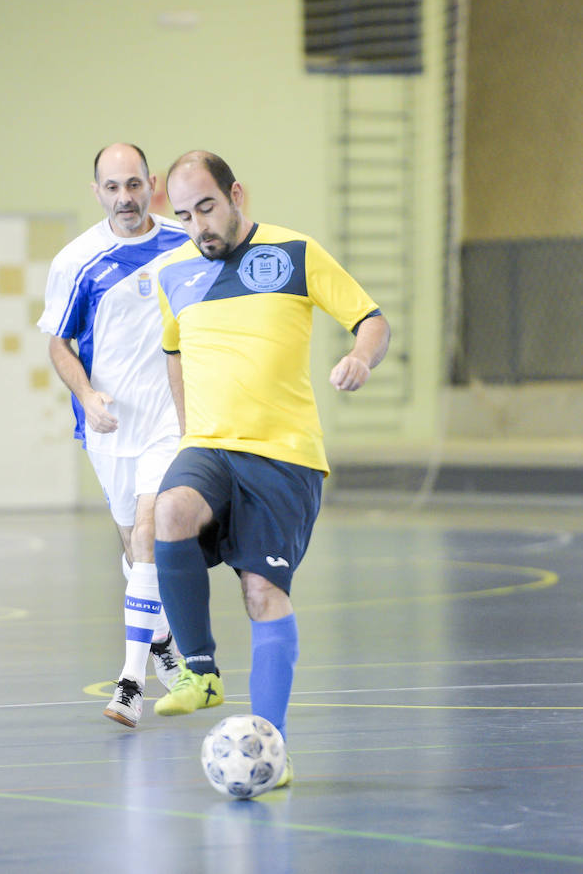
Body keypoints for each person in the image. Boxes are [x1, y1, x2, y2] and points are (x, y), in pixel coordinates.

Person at [151, 150, 391, 789]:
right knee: (168, 509)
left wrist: (361, 360)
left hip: (284, 456)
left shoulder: (295, 253)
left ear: (236, 195)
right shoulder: (171, 273)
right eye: (184, 215)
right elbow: (175, 352)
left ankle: (271, 747)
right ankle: (199, 671)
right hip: (209, 443)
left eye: (207, 206)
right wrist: (185, 429)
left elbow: (372, 320)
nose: (198, 225)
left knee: (262, 593)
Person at [37, 143, 190, 727]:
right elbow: (58, 342)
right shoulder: (76, 261)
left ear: (151, 183)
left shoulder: (184, 242)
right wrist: (86, 395)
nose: (126, 198)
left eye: (134, 185)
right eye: (112, 188)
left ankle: (130, 683)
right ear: (96, 191)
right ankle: (163, 644)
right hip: (109, 428)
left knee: (149, 538)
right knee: (134, 550)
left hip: (172, 423)